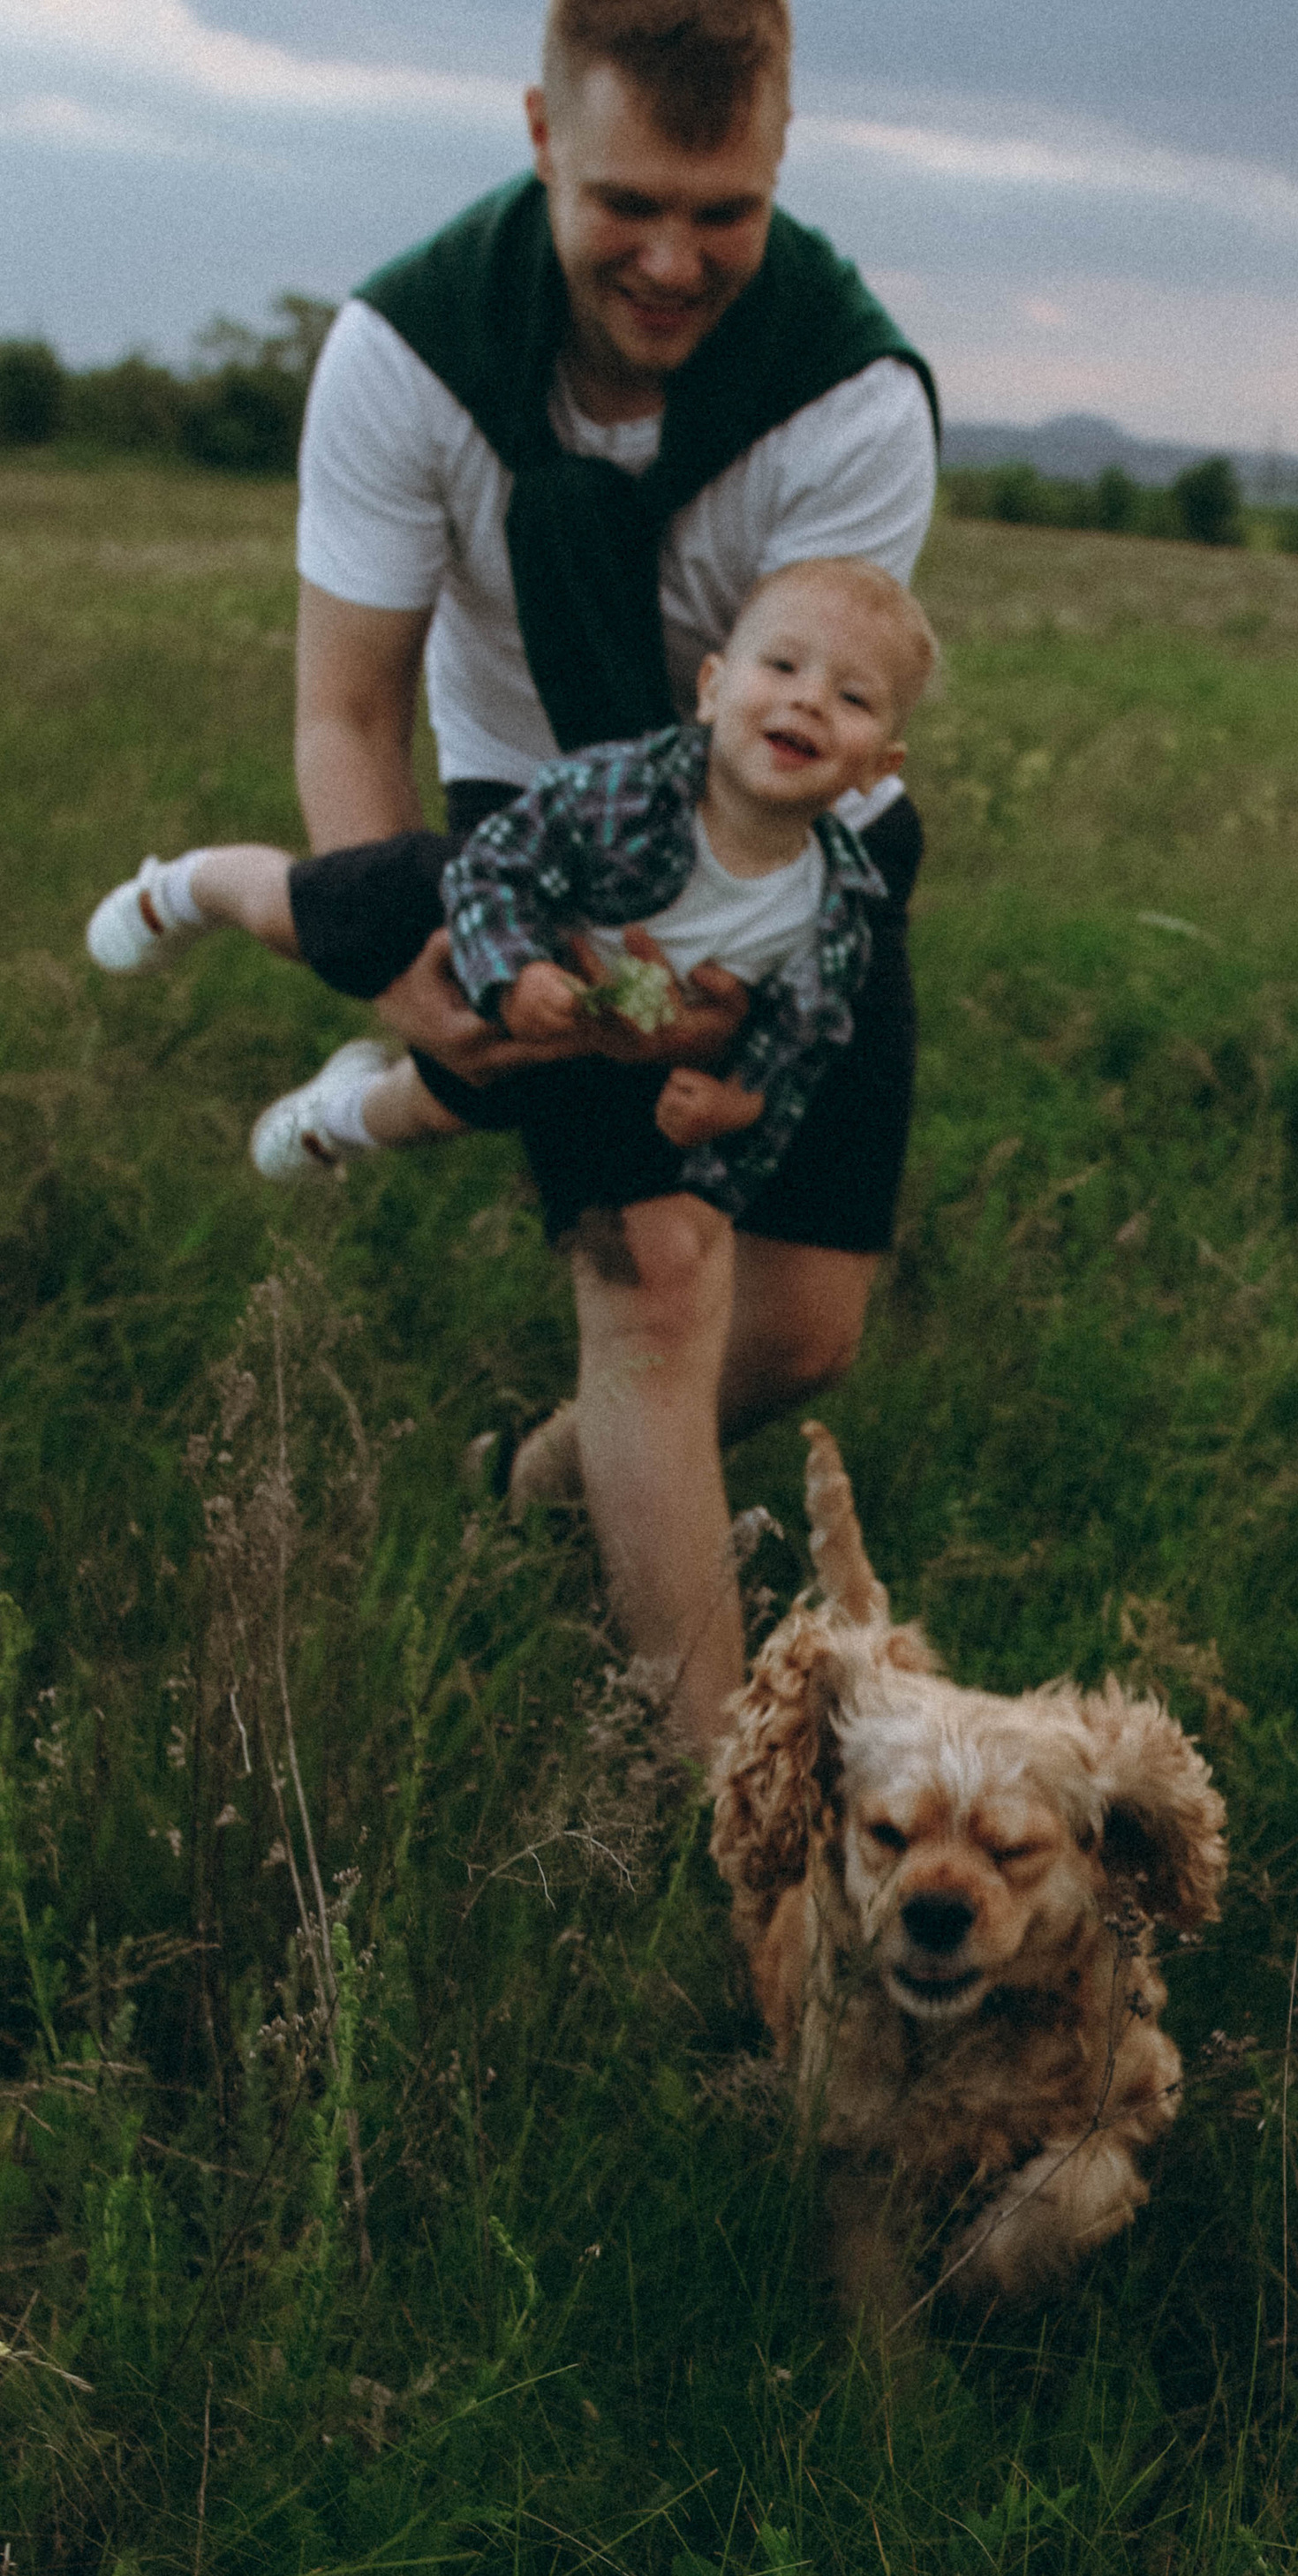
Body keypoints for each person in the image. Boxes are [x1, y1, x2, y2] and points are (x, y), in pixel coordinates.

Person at [254, 0, 935, 1752]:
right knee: (654, 1282)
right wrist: (410, 934)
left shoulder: (851, 395)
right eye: (628, 197)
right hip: (532, 804)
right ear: (543, 135)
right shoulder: (405, 355)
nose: (672, 257)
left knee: (790, 1339)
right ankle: (732, 1827)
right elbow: (346, 707)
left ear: (779, 158)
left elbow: (812, 743)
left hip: (795, 854)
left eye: (725, 210)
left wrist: (736, 992)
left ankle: (544, 1488)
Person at [87, 554, 935, 1196]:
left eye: (854, 698)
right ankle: (194, 885)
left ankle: (335, 1120)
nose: (810, 699)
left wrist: (740, 1103)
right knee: (311, 915)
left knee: (456, 1101)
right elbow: (493, 862)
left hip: (588, 1029)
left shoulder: (834, 908)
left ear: (878, 768)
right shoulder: (627, 791)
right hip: (468, 910)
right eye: (782, 666)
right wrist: (514, 967)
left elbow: (804, 1028)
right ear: (712, 689)